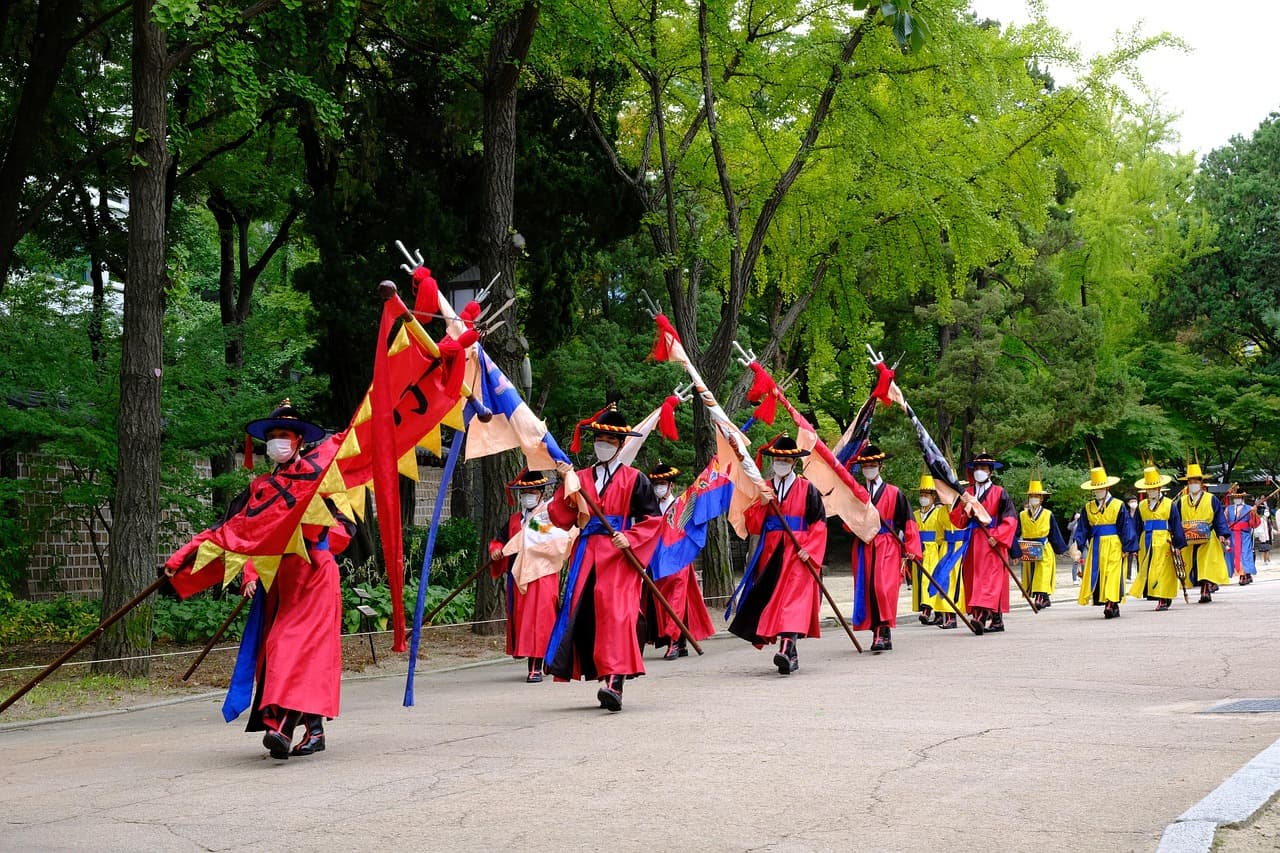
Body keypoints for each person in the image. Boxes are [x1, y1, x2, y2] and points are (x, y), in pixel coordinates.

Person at [165, 401, 350, 759]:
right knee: (290, 649)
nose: (277, 443)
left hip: (314, 575)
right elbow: (238, 532)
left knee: (289, 644)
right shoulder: (260, 488)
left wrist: (314, 527)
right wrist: (183, 558)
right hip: (280, 579)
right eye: (273, 437)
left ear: (298, 441)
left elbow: (344, 531)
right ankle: (312, 730)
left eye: (284, 436)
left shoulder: (321, 478)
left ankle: (280, 723)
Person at [544, 406, 662, 712]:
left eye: (609, 439)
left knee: (618, 614)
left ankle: (615, 681)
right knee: (588, 615)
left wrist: (632, 538)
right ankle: (602, 672)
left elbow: (653, 519)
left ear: (621, 444)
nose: (603, 443)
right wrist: (564, 488)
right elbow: (561, 516)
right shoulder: (579, 478)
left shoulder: (635, 479)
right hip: (586, 554)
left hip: (619, 555)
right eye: (599, 438)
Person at [727, 436, 828, 675]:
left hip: (797, 550)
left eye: (785, 459)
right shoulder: (765, 488)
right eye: (777, 459)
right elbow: (752, 525)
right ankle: (790, 653)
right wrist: (761, 503)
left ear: (794, 462)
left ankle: (785, 647)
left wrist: (810, 549)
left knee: (792, 601)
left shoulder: (807, 489)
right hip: (771, 552)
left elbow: (820, 524)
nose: (781, 463)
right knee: (775, 600)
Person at [488, 470, 561, 683]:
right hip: (518, 577)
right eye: (524, 492)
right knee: (525, 621)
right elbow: (500, 540)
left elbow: (553, 541)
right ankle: (537, 659)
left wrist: (526, 536)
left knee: (540, 620)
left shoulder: (548, 517)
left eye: (532, 492)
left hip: (542, 576)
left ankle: (537, 665)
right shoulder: (514, 520)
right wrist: (496, 549)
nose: (527, 496)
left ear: (541, 493)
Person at [848, 445, 921, 651]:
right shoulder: (858, 494)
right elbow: (849, 522)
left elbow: (908, 522)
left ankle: (883, 629)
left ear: (880, 466)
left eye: (872, 465)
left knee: (883, 588)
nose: (869, 468)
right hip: (864, 545)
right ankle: (877, 630)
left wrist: (911, 547)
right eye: (865, 465)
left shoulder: (894, 493)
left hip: (887, 544)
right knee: (867, 589)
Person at [643, 461, 716, 660]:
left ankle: (674, 641)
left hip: (679, 560)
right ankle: (680, 641)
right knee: (662, 601)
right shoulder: (649, 509)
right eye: (656, 483)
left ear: (671, 485)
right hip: (657, 563)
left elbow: (694, 526)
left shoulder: (682, 505)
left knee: (676, 599)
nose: (659, 487)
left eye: (663, 483)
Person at [949, 452, 1018, 632]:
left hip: (991, 539)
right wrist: (962, 508)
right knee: (974, 577)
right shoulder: (967, 493)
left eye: (984, 468)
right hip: (973, 541)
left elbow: (1010, 519)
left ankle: (981, 615)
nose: (980, 471)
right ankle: (996, 619)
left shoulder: (999, 493)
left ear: (991, 472)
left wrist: (999, 536)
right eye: (977, 468)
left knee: (989, 579)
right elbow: (958, 520)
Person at [1071, 463, 1138, 618]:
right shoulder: (1088, 507)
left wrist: (1127, 547)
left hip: (1114, 543)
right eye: (1095, 489)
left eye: (1100, 488)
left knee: (1113, 573)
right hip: (1096, 544)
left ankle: (1111, 602)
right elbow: (1082, 529)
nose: (1098, 491)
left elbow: (1125, 527)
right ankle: (1108, 602)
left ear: (1107, 488)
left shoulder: (1118, 505)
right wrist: (1078, 547)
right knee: (1099, 574)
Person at [1126, 463, 1186, 610]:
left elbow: (1176, 524)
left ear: (1159, 488)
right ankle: (1157, 594)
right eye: (1149, 488)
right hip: (1146, 540)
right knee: (1149, 569)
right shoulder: (1141, 506)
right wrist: (1133, 546)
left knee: (1163, 569)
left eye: (1153, 488)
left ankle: (1163, 598)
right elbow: (1135, 527)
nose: (1151, 491)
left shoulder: (1169, 504)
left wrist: (1178, 545)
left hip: (1164, 540)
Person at [1176, 462, 1232, 603]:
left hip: (1207, 536)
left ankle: (1206, 588)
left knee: (1207, 562)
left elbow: (1219, 517)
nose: (1193, 484)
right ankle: (1197, 584)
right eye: (1190, 482)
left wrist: (1223, 534)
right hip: (1188, 537)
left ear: (1201, 483)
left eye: (1196, 481)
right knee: (1191, 563)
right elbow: (1176, 520)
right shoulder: (1181, 501)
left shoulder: (1211, 499)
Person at [1011, 480, 1069, 610]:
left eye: (1036, 496)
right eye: (1031, 496)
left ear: (1041, 498)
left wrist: (1061, 549)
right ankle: (1045, 598)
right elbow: (1016, 532)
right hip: (1028, 548)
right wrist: (1014, 549)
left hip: (1044, 547)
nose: (1033, 499)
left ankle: (1040, 598)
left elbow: (1054, 533)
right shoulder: (1022, 515)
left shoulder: (1048, 514)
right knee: (1032, 573)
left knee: (1042, 572)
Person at [914, 475, 961, 628]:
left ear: (934, 496)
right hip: (922, 549)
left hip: (936, 549)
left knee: (934, 579)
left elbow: (941, 534)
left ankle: (931, 610)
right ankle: (939, 614)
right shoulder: (915, 515)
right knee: (924, 580)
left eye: (926, 495)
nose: (923, 498)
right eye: (921, 495)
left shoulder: (940, 511)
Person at [1223, 484, 1260, 586]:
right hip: (1232, 535)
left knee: (1245, 554)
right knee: (1234, 554)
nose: (1237, 499)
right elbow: (1224, 522)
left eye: (1239, 497)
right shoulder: (1228, 509)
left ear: (1242, 498)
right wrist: (1224, 535)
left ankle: (1243, 574)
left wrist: (1253, 513)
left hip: (1244, 535)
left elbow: (1254, 524)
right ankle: (1244, 574)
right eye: (1235, 497)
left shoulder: (1249, 508)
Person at [1255, 499, 1273, 564]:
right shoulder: (1261, 519)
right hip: (1263, 537)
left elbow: (1267, 512)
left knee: (1267, 549)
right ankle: (1265, 560)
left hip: (1267, 536)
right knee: (1266, 549)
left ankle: (1268, 559)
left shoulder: (1266, 520)